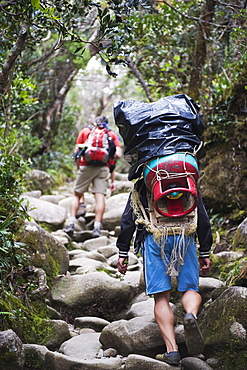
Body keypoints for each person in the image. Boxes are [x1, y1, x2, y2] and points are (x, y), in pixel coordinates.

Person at [116, 178, 212, 366]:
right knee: (190, 288)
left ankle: (172, 351)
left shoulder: (143, 182)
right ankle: (190, 314)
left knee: (161, 297)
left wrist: (122, 252)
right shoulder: (186, 177)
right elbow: (201, 214)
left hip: (154, 237)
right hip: (185, 236)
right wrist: (205, 251)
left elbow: (128, 219)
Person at [64, 116, 122, 238]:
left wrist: (79, 168)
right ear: (106, 123)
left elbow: (77, 152)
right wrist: (108, 157)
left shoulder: (86, 132)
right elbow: (118, 155)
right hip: (103, 168)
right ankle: (96, 227)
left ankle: (71, 223)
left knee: (76, 194)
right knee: (100, 196)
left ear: (94, 122)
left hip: (86, 166)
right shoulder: (110, 133)